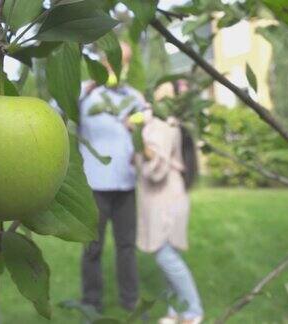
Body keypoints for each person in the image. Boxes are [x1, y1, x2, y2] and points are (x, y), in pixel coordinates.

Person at [78, 43, 146, 313]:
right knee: (92, 247)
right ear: (105, 61)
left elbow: (149, 122)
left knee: (127, 247)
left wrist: (140, 119)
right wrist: (91, 84)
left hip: (126, 183)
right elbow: (55, 109)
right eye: (117, 60)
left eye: (126, 61)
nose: (120, 66)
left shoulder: (133, 96)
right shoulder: (86, 92)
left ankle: (131, 301)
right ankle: (91, 303)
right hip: (95, 185)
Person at [133, 110, 204, 324]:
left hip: (166, 198)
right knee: (166, 257)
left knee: (165, 255)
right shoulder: (161, 125)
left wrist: (135, 135)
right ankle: (176, 311)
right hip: (162, 197)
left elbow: (158, 165)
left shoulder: (162, 126)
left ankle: (193, 311)